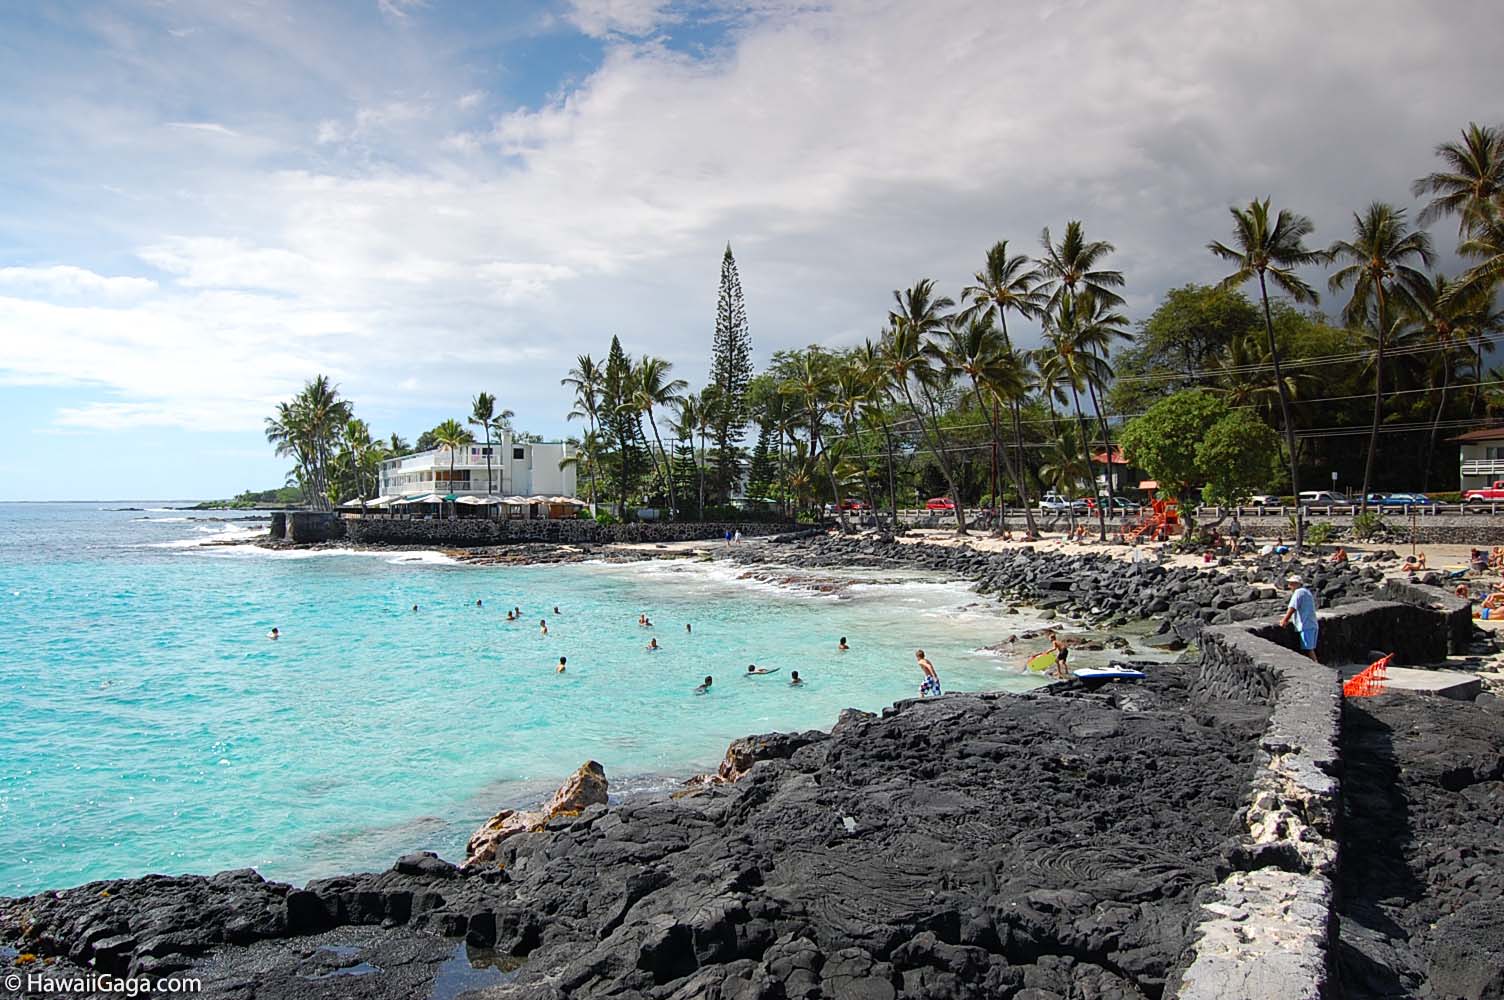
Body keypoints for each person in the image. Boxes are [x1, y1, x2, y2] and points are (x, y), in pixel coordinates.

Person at [1277, 574, 1319, 662]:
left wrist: (1285, 620)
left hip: (1306, 624)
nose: (1289, 586)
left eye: (1291, 584)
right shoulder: (1306, 592)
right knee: (1308, 648)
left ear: (1297, 584)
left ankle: (1317, 665)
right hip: (1310, 623)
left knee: (1308, 649)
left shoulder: (1299, 592)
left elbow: (1292, 607)